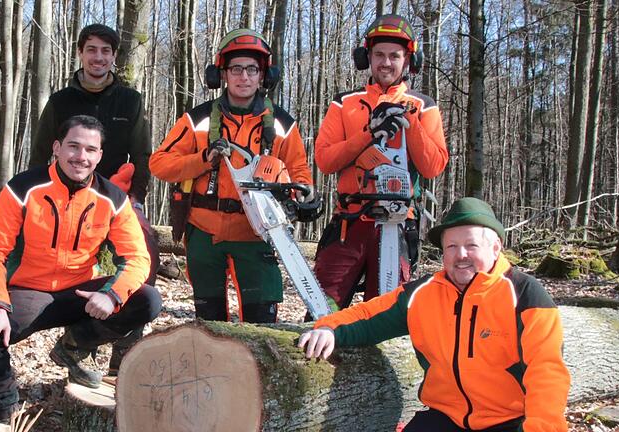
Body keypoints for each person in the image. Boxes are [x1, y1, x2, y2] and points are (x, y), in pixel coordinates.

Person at [299, 197, 571, 432]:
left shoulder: (525, 295)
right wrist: (329, 328)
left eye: (471, 245)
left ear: (495, 248)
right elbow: (369, 314)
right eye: (451, 247)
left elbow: (547, 374)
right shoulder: (423, 294)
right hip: (445, 418)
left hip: (508, 421)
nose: (460, 255)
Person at [0, 115, 163, 421]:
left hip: (81, 294)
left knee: (147, 300)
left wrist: (112, 294)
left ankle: (74, 345)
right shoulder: (23, 188)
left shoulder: (112, 198)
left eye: (90, 150)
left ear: (100, 155)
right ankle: (5, 412)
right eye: (73, 147)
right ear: (57, 148)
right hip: (30, 292)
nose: (81, 157)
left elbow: (137, 257)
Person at [149, 29, 313, 323]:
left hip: (257, 231)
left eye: (252, 69)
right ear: (221, 74)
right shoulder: (197, 120)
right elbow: (159, 164)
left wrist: (303, 195)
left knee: (262, 319)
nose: (244, 77)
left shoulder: (282, 124)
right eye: (236, 69)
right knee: (209, 320)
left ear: (264, 75)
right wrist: (203, 159)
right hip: (204, 229)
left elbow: (300, 172)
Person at [28, 23, 159, 374]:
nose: (98, 57)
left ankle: (122, 352)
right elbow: (40, 154)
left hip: (116, 201)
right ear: (80, 54)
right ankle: (77, 345)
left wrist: (137, 198)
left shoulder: (129, 100)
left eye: (105, 51)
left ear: (114, 57)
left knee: (143, 263)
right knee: (77, 271)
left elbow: (143, 155)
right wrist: (37, 201)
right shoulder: (60, 102)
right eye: (92, 50)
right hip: (66, 203)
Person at [314, 14, 448, 309]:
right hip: (350, 222)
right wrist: (368, 134)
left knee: (385, 312)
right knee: (322, 306)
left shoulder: (423, 106)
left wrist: (410, 122)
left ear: (409, 60)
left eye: (394, 56)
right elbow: (325, 160)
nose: (386, 63)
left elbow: (433, 166)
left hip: (399, 223)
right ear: (367, 57)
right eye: (379, 55)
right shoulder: (344, 103)